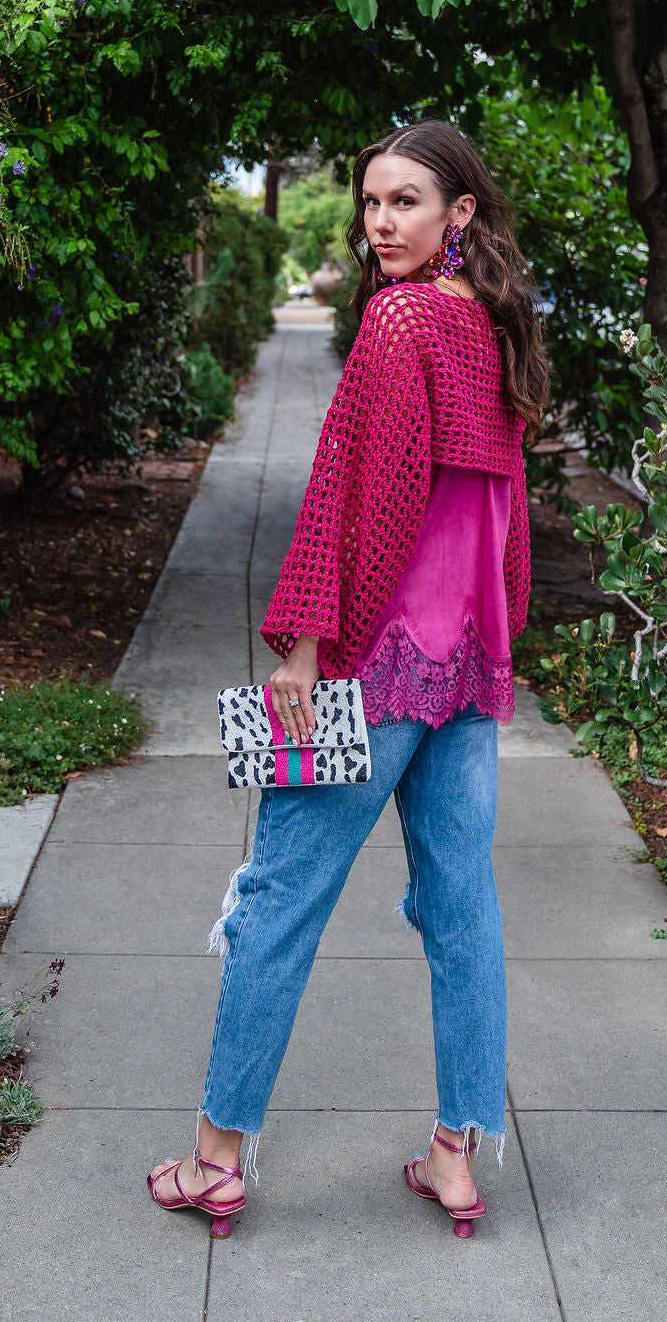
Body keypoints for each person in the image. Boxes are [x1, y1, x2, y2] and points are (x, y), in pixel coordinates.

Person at [148, 120, 549, 1239]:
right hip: (471, 664)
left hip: (379, 667)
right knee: (461, 906)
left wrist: (304, 639)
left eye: (406, 202)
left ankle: (218, 1158)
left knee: (279, 897)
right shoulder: (496, 327)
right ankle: (457, 1154)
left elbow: (352, 493)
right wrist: (498, 627)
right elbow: (499, 514)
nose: (381, 223)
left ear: (458, 213)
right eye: (371, 202)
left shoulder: (404, 318)